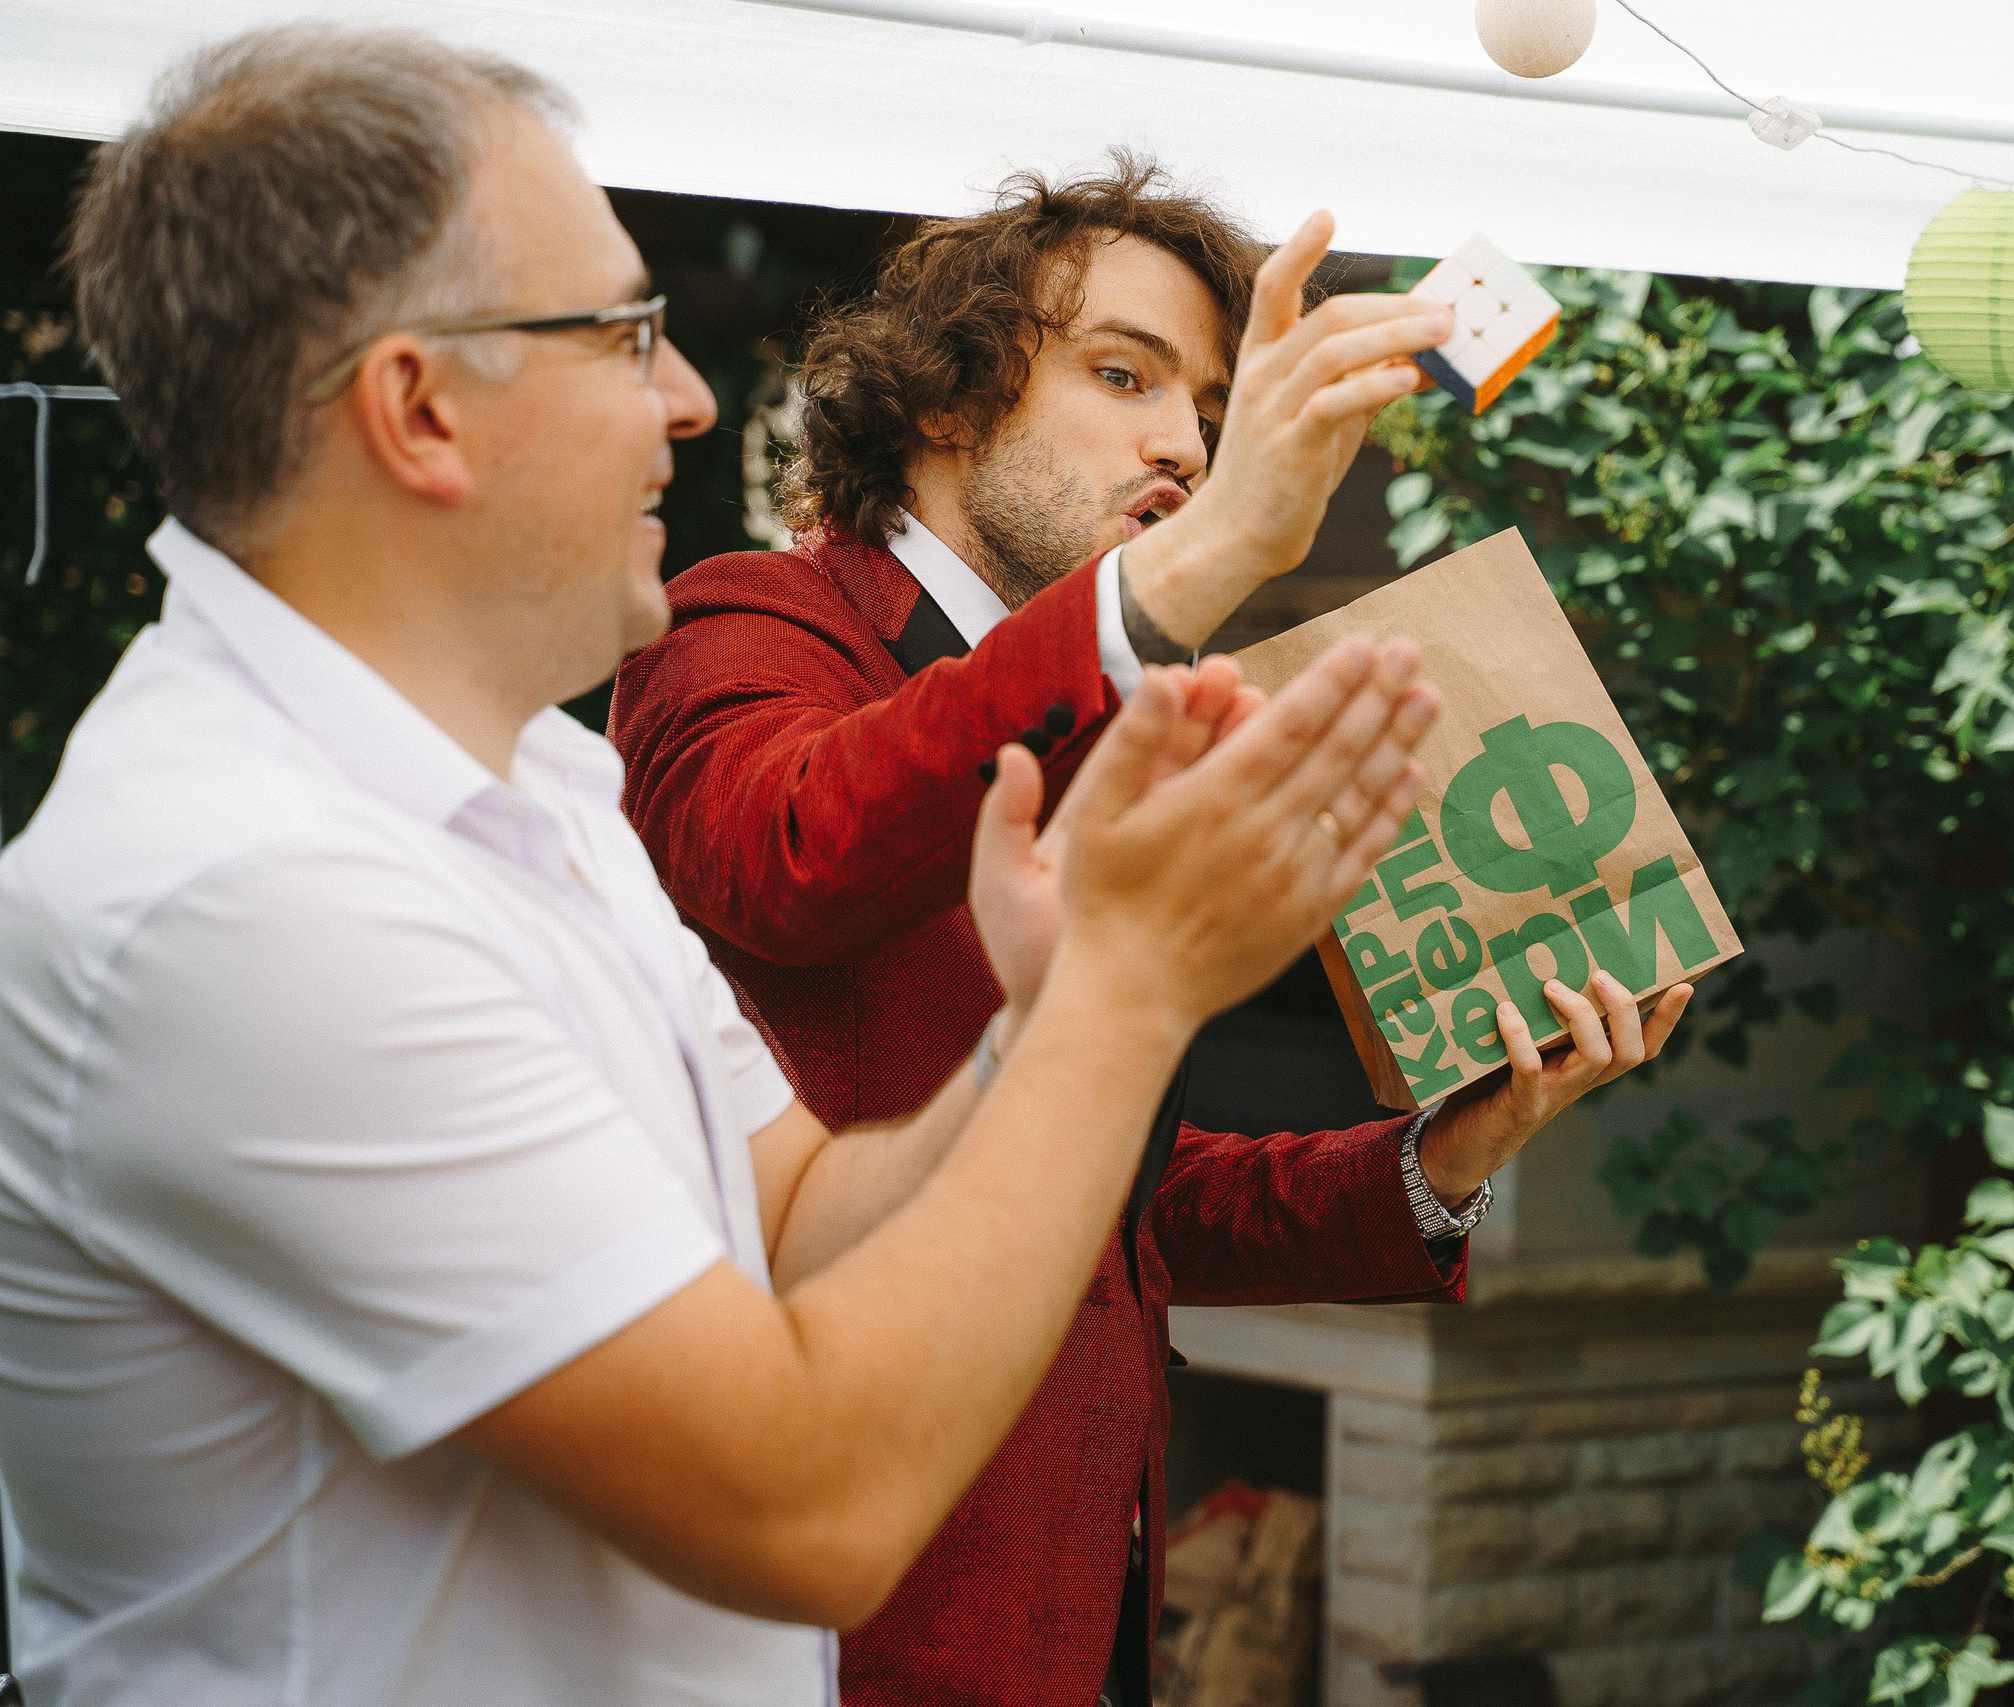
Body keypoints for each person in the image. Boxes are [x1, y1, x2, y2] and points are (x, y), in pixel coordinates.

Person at [0, 28, 1443, 1706]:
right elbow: (805, 1508)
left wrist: (1060, 1008)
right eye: (622, 335)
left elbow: (806, 1214)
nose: (687, 398)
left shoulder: (539, 793)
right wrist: (1128, 987)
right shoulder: (250, 903)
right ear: (418, 409)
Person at [608, 157, 1694, 1704]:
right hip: (851, 1627)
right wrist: (1201, 558)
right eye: (1124, 375)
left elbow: (1127, 1204)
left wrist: (1449, 1154)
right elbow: (793, 850)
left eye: (1208, 404)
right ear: (944, 399)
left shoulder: (1111, 717)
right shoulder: (751, 619)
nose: (1185, 442)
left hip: (1079, 1610)